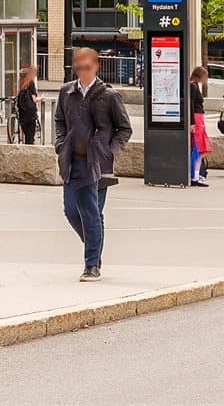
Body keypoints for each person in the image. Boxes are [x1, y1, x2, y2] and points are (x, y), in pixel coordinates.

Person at [52, 46, 131, 282]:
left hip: (97, 165)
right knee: (72, 211)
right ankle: (95, 241)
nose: (82, 72)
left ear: (96, 66)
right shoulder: (67, 92)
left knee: (90, 214)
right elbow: (59, 120)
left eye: (87, 67)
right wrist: (60, 143)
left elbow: (124, 129)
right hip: (71, 161)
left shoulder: (108, 95)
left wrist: (110, 151)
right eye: (78, 67)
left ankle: (91, 265)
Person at [188, 64, 210, 186]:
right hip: (197, 118)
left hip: (198, 118)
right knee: (198, 148)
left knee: (199, 148)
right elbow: (191, 105)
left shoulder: (194, 85)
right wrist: (192, 122)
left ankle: (196, 174)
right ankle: (195, 175)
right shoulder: (193, 86)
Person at [13, 66, 39, 145]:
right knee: (30, 137)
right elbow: (34, 99)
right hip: (30, 114)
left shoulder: (20, 82)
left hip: (22, 114)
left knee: (26, 133)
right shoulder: (30, 83)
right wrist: (42, 98)